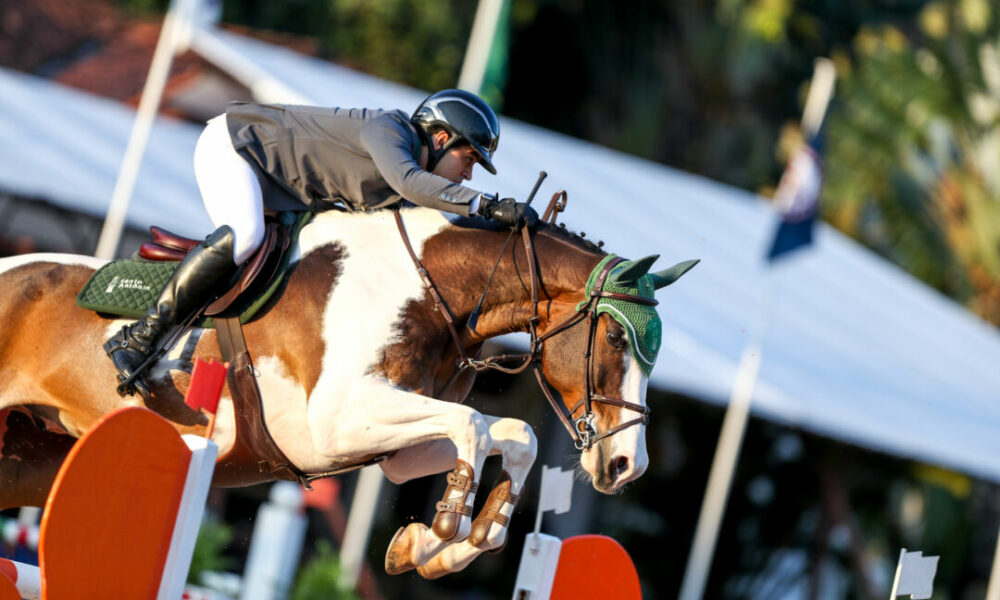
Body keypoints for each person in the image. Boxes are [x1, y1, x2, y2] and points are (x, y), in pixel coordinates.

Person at [105, 89, 538, 398]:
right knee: (246, 234)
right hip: (234, 147)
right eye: (470, 159)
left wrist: (504, 237)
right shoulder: (389, 130)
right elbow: (415, 184)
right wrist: (489, 205)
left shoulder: (406, 178)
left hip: (279, 189)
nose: (469, 175)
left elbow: (435, 221)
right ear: (441, 138)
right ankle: (139, 337)